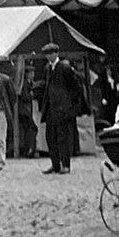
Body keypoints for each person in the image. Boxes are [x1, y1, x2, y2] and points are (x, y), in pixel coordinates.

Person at [40, 43, 85, 175]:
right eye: (47, 54)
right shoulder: (47, 68)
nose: (49, 56)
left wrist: (70, 105)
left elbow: (76, 88)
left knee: (62, 138)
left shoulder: (65, 68)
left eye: (51, 53)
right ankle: (55, 164)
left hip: (63, 109)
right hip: (51, 109)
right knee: (51, 138)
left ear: (56, 53)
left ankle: (66, 165)